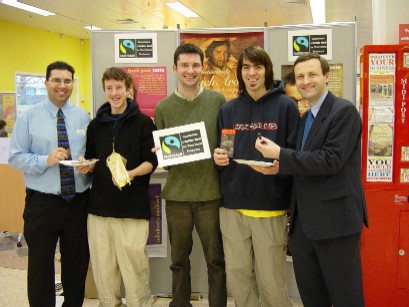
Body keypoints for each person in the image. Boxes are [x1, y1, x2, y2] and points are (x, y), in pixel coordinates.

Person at [255, 52, 368, 307]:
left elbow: (330, 160)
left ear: (327, 77)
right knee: (312, 295)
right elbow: (302, 162)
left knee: (345, 296)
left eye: (312, 74)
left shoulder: (344, 112)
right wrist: (278, 167)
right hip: (304, 224)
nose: (306, 81)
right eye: (300, 76)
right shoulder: (306, 117)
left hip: (336, 223)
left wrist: (281, 154)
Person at [213, 46, 299, 307]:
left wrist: (280, 167)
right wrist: (218, 159)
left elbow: (295, 156)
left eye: (257, 67)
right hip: (233, 208)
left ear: (267, 70)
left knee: (272, 282)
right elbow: (224, 153)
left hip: (270, 208)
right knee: (239, 278)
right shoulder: (228, 110)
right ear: (240, 72)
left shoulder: (286, 107)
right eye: (246, 68)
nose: (252, 74)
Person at [8, 61, 91, 307]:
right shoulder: (28, 117)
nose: (62, 86)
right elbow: (15, 156)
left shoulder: (82, 117)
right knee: (40, 267)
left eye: (67, 81)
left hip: (77, 202)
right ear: (45, 83)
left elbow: (89, 152)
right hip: (42, 202)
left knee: (76, 265)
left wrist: (88, 165)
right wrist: (46, 159)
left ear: (73, 85)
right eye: (56, 80)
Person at [154, 43, 227, 307]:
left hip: (210, 195)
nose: (190, 70)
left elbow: (225, 143)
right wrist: (162, 154)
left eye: (195, 65)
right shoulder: (163, 108)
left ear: (203, 68)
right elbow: (167, 162)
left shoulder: (217, 101)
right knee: (178, 261)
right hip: (177, 197)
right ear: (175, 68)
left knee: (216, 261)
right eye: (184, 65)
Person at [78, 67, 157, 307]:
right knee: (104, 270)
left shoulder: (144, 123)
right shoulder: (95, 125)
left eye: (119, 88)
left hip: (132, 209)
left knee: (135, 269)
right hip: (99, 209)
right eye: (109, 88)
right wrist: (86, 165)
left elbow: (152, 162)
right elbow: (92, 158)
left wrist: (131, 173)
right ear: (104, 90)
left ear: (128, 89)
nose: (114, 93)